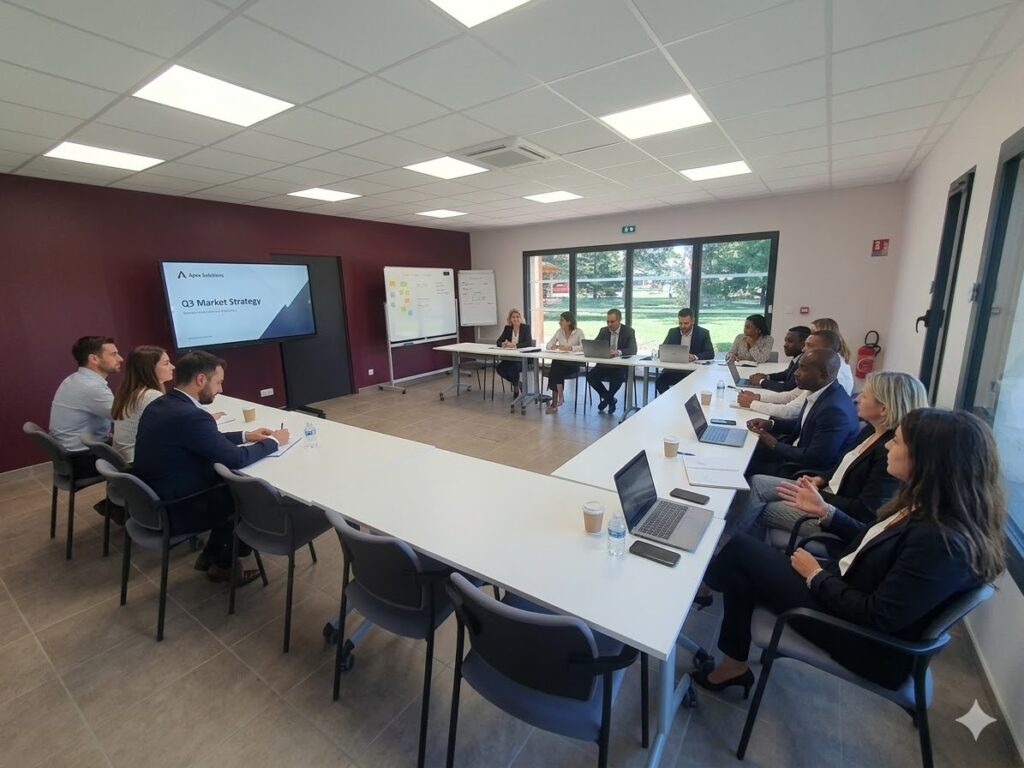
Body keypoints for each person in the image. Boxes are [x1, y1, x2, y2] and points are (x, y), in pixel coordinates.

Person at [696, 409, 1006, 695]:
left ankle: (700, 589)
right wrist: (825, 511)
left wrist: (815, 575)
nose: (888, 446)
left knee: (741, 548)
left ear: (927, 460)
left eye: (897, 442)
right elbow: (871, 542)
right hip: (844, 591)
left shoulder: (941, 543)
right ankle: (732, 664)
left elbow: (876, 617)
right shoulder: (925, 509)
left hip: (864, 643)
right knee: (740, 575)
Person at [133, 351, 289, 585]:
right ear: (201, 380)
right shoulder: (191, 415)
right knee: (245, 496)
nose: (221, 390)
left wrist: (246, 435)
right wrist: (275, 441)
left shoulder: (163, 405)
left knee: (231, 484)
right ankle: (224, 564)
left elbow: (202, 439)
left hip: (150, 500)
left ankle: (215, 555)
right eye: (218, 383)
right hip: (177, 508)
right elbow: (236, 459)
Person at [732, 372, 928, 542]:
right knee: (757, 482)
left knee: (758, 507)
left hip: (834, 514)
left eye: (865, 396)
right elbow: (843, 465)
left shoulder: (889, 452)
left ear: (883, 408)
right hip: (824, 492)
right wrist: (820, 478)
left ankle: (736, 547)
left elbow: (865, 511)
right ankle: (740, 545)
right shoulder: (871, 430)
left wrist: (819, 496)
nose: (857, 398)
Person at [744, 348, 860, 478]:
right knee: (749, 449)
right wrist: (771, 424)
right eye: (798, 367)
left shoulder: (834, 411)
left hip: (801, 471)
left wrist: (774, 445)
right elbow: (804, 425)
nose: (796, 373)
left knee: (746, 464)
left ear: (823, 376)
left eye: (803, 369)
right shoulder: (818, 390)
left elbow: (815, 458)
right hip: (793, 452)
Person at [49, 336, 123, 478]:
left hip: (68, 457)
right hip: (83, 459)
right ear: (94, 359)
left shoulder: (74, 379)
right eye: (114, 354)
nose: (120, 359)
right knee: (142, 454)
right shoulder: (91, 387)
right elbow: (124, 417)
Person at [737, 330, 853, 418]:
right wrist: (757, 397)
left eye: (809, 345)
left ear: (826, 350)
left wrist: (752, 403)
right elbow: (792, 395)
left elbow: (791, 411)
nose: (803, 349)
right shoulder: (824, 366)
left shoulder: (830, 373)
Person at [111, 346, 174, 463]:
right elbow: (172, 431)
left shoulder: (130, 392)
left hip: (127, 458)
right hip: (139, 461)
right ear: (149, 369)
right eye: (166, 363)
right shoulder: (150, 395)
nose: (172, 367)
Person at [586, 308, 637, 415]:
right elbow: (595, 345)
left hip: (620, 366)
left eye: (612, 322)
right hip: (604, 364)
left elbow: (633, 349)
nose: (609, 324)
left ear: (619, 320)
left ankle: (607, 400)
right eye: (608, 321)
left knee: (617, 378)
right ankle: (610, 400)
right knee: (591, 376)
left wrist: (617, 352)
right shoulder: (603, 331)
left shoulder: (629, 331)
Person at [655, 308, 715, 394]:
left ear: (693, 321)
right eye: (680, 323)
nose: (683, 326)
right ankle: (668, 399)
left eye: (686, 323)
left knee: (690, 386)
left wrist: (694, 357)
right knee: (660, 381)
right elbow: (662, 351)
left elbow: (710, 353)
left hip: (693, 371)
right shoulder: (672, 332)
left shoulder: (703, 333)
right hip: (674, 370)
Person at [746, 326, 810, 392]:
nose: (785, 345)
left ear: (803, 344)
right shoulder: (797, 358)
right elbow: (786, 374)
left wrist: (761, 381)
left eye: (790, 341)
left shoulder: (804, 362)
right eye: (785, 341)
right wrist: (767, 377)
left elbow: (787, 388)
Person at [544, 311, 585, 413]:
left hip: (573, 364)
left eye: (562, 320)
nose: (559, 322)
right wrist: (553, 346)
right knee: (556, 368)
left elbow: (584, 347)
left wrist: (571, 348)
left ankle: (556, 402)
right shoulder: (559, 331)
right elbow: (548, 345)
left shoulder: (578, 332)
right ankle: (558, 400)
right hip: (560, 364)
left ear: (569, 322)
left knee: (554, 369)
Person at [495, 308, 533, 397]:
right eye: (513, 317)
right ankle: (517, 384)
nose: (515, 319)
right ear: (510, 319)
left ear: (520, 318)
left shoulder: (526, 328)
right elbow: (498, 342)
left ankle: (516, 388)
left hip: (523, 358)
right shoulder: (507, 328)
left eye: (517, 317)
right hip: (510, 357)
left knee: (514, 368)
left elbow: (528, 343)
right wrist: (503, 344)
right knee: (500, 368)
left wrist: (515, 345)